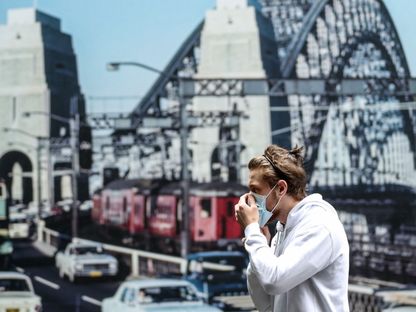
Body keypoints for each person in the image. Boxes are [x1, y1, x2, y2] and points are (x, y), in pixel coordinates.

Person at [234, 144, 349, 312]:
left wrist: (252, 231)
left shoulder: (319, 225)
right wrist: (259, 246)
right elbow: (265, 304)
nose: (249, 198)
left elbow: (274, 281)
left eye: (255, 190)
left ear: (280, 188)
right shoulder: (284, 229)